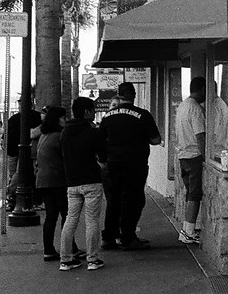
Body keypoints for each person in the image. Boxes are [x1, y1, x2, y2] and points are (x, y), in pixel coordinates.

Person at [99, 82, 161, 251]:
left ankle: (108, 237)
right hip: (136, 165)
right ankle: (128, 237)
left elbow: (100, 140)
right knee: (133, 200)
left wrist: (104, 160)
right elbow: (156, 140)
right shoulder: (143, 115)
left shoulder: (108, 116)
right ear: (133, 95)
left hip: (113, 164)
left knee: (114, 201)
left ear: (119, 95)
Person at [59, 96, 107, 271]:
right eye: (93, 110)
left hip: (72, 182)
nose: (94, 113)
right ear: (86, 112)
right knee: (92, 220)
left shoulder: (65, 132)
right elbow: (104, 158)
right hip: (92, 181)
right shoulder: (93, 132)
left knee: (70, 220)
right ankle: (92, 259)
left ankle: (65, 259)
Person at [35, 106, 83, 262]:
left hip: (43, 181)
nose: (65, 120)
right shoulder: (59, 136)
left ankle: (48, 249)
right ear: (57, 119)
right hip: (58, 180)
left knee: (51, 216)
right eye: (63, 118)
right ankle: (70, 249)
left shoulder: (44, 136)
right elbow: (67, 158)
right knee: (67, 215)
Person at [174, 76, 206, 244]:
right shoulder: (196, 109)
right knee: (195, 193)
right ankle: (188, 231)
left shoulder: (182, 106)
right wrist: (206, 157)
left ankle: (189, 228)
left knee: (190, 193)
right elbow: (200, 136)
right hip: (194, 156)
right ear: (201, 89)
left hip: (183, 155)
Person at [6, 105, 42, 211]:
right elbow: (7, 133)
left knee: (17, 176)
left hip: (24, 151)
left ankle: (13, 197)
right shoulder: (14, 118)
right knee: (14, 176)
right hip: (14, 150)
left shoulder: (36, 117)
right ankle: (14, 198)